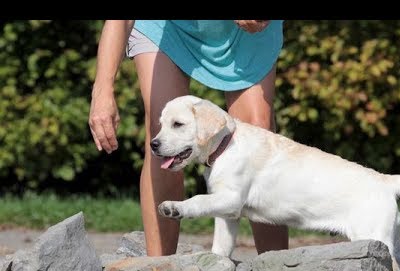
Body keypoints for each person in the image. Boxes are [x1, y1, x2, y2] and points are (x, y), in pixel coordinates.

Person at [88, 20, 289, 256]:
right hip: (167, 26)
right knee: (163, 134)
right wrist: (102, 90)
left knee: (258, 135)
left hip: (242, 34)